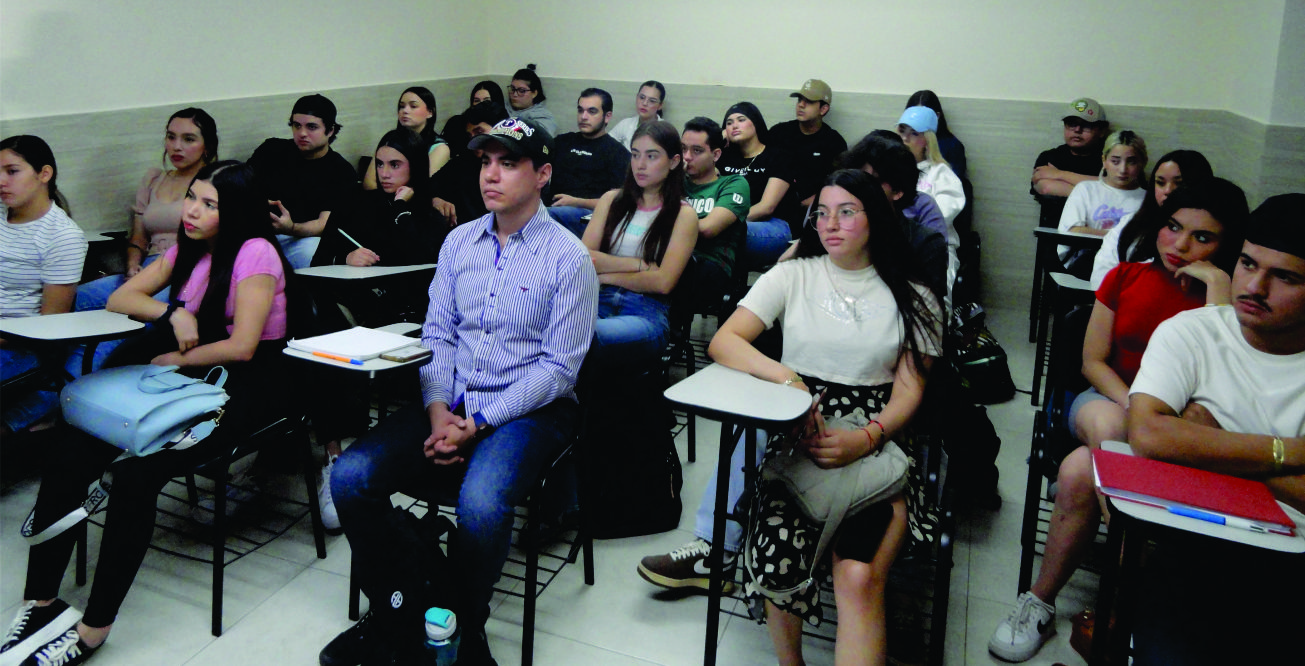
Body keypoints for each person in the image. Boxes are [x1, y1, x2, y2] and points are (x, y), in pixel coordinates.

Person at [320, 117, 598, 666]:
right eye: (485, 162)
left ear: (542, 174)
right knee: (350, 477)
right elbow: (439, 336)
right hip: (455, 401)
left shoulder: (569, 258)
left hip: (533, 409)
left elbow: (560, 368)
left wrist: (482, 421)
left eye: (508, 163)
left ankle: (462, 628)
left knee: (480, 503)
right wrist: (439, 411)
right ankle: (409, 607)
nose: (491, 175)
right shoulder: (458, 244)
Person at [1, 160, 295, 666]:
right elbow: (122, 296)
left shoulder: (256, 253)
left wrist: (173, 357)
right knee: (69, 449)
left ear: (238, 211)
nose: (193, 211)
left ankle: (93, 630)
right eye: (193, 199)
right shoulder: (190, 249)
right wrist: (173, 312)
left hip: (244, 386)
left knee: (138, 477)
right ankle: (41, 600)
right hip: (184, 377)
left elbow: (244, 346)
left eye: (209, 204)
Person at [987, 180, 1249, 663]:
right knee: (1108, 429)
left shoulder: (1231, 304)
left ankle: (1040, 599)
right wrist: (1140, 410)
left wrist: (1218, 292)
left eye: (1203, 237)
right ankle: (1136, 569)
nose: (1181, 245)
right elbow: (1092, 361)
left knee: (1076, 473)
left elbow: (1224, 379)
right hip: (1108, 400)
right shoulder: (1125, 276)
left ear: (1227, 247)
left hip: (1184, 425)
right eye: (1173, 228)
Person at [733, 169, 942, 664]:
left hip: (880, 438)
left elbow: (910, 393)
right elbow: (726, 340)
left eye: (847, 211)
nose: (831, 223)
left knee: (857, 574)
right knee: (777, 559)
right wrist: (788, 380)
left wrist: (865, 438)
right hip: (803, 430)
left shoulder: (916, 296)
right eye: (821, 213)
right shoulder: (793, 274)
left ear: (876, 219)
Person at [1124, 193, 1305, 665]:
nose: (1255, 287)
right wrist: (1292, 453)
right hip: (1194, 549)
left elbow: (1173, 440)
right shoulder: (1193, 332)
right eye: (1247, 264)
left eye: (1284, 277)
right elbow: (1148, 435)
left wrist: (1207, 441)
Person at [581, 120, 698, 373]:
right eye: (635, 155)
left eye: (651, 156)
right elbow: (584, 259)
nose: (640, 164)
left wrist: (607, 276)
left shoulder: (683, 215)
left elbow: (663, 282)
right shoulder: (611, 200)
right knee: (557, 331)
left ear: (674, 161)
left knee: (581, 338)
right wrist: (640, 266)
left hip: (645, 312)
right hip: (596, 301)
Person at [76, 108, 219, 312]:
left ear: (207, 146)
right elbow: (138, 239)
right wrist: (133, 266)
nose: (176, 147)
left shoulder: (212, 183)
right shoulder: (153, 179)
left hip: (187, 269)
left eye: (188, 139)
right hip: (149, 266)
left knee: (138, 309)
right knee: (81, 297)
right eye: (171, 137)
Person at [0, 135, 88, 437]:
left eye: (11, 171)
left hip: (18, 345)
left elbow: (49, 328)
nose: (1, 181)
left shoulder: (62, 236)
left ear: (44, 174)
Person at [247, 93, 359, 269]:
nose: (302, 133)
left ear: (330, 130)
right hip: (256, 231)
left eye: (311, 127)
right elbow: (240, 186)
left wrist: (291, 228)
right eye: (296, 126)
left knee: (313, 250)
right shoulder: (271, 150)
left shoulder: (341, 171)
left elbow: (324, 224)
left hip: (300, 238)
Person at [833, 133, 949, 299]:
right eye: (854, 179)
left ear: (897, 191)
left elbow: (930, 314)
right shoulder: (834, 228)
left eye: (871, 181)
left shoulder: (925, 244)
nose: (858, 189)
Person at [1090, 149, 1213, 288]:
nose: (1167, 191)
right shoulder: (1131, 223)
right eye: (1160, 183)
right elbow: (1102, 276)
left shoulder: (1210, 230)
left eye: (1179, 183)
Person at [678, 116, 750, 312]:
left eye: (697, 151)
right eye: (683, 149)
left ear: (716, 155)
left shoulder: (733, 184)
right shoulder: (674, 183)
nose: (687, 157)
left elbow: (707, 229)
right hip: (669, 257)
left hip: (709, 266)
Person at [718, 102, 797, 271]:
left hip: (774, 225)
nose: (734, 126)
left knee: (722, 233)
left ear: (756, 123)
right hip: (729, 223)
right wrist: (717, 140)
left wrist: (720, 221)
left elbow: (766, 207)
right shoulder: (724, 158)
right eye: (729, 123)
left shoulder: (778, 156)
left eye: (741, 120)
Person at [1055, 130, 1148, 270]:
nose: (1123, 169)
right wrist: (1121, 238)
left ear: (1142, 163)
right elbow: (1072, 231)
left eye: (1131, 162)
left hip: (1129, 270)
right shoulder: (1086, 190)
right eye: (1115, 161)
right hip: (1083, 265)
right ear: (1104, 160)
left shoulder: (1148, 199)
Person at [547, 88, 630, 237]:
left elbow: (619, 203)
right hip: (552, 207)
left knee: (546, 217)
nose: (583, 117)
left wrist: (576, 202)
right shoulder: (562, 142)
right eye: (580, 111)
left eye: (592, 111)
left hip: (590, 216)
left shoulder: (618, 153)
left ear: (607, 116)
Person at [768, 79, 848, 211]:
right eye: (799, 99)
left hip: (811, 211)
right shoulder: (779, 132)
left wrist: (812, 202)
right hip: (771, 204)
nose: (801, 105)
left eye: (809, 101)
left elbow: (838, 185)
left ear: (823, 109)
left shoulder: (833, 142)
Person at [1031, 97, 1110, 227]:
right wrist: (1098, 191)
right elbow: (1046, 187)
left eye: (1086, 125)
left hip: (1094, 237)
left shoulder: (1111, 161)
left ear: (1101, 130)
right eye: (1071, 124)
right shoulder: (1049, 157)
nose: (1077, 130)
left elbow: (1116, 190)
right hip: (1053, 235)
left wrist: (1058, 175)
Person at [432, 100, 510, 227]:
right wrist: (435, 200)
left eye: (479, 132)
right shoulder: (464, 162)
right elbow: (428, 187)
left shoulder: (519, 165)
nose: (474, 141)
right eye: (470, 135)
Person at [361, 86, 451, 191]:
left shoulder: (439, 147)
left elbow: (424, 186)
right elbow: (369, 183)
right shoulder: (390, 140)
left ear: (430, 112)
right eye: (401, 106)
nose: (405, 111)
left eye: (413, 106)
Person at [895, 106, 965, 226]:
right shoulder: (890, 168)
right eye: (902, 131)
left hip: (931, 238)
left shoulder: (940, 173)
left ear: (928, 141)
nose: (905, 138)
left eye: (914, 133)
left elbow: (941, 216)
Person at [906, 90, 967, 180]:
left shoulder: (952, 146)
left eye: (923, 116)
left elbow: (952, 181)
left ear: (937, 116)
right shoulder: (903, 141)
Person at [442, 81, 506, 155]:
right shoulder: (459, 123)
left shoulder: (505, 126)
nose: (481, 104)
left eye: (486, 101)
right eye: (476, 101)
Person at [608, 81, 666, 150]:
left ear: (660, 105)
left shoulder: (666, 131)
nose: (644, 103)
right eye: (642, 97)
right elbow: (606, 143)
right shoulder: (625, 124)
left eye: (652, 101)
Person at [505, 64, 557, 136]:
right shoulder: (503, 107)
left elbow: (540, 140)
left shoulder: (544, 117)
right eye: (513, 89)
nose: (515, 94)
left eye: (522, 91)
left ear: (534, 93)